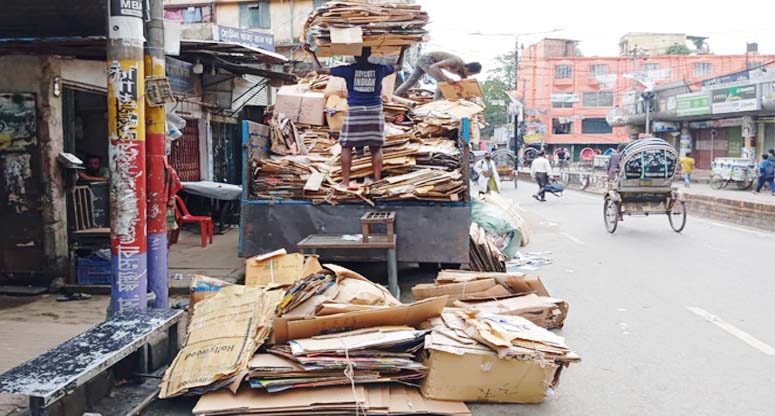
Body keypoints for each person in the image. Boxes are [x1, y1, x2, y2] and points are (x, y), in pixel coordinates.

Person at [309, 46, 406, 190]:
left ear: (355, 56)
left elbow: (320, 70)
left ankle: (346, 182)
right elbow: (399, 66)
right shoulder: (379, 69)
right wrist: (403, 49)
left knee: (346, 145)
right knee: (376, 146)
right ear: (369, 54)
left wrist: (312, 54)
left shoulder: (348, 70)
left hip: (355, 111)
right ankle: (377, 179)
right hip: (375, 111)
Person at [394, 51, 482, 100]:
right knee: (442, 82)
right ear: (468, 69)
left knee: (411, 81)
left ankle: (395, 95)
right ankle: (435, 103)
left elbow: (464, 84)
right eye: (471, 74)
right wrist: (447, 78)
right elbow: (433, 67)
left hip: (429, 63)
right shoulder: (455, 62)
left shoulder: (463, 72)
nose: (469, 75)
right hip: (427, 60)